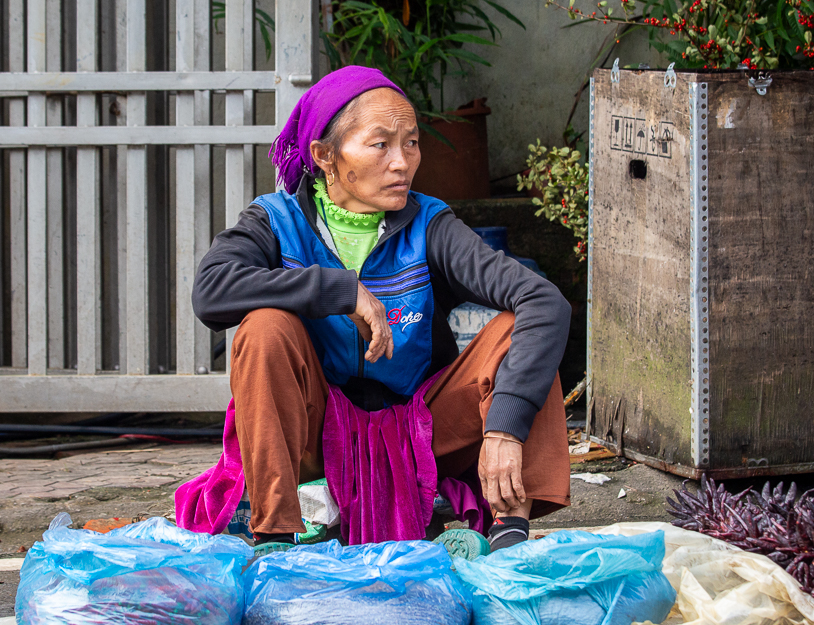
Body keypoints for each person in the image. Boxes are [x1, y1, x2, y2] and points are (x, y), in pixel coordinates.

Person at [175, 65, 571, 558]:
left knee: (520, 328)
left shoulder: (429, 224)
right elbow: (211, 292)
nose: (402, 162)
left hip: (421, 432)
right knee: (264, 326)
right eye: (380, 145)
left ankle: (510, 531)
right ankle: (275, 539)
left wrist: (504, 426)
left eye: (411, 143)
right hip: (317, 435)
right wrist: (338, 289)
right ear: (324, 155)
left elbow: (543, 300)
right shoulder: (276, 221)